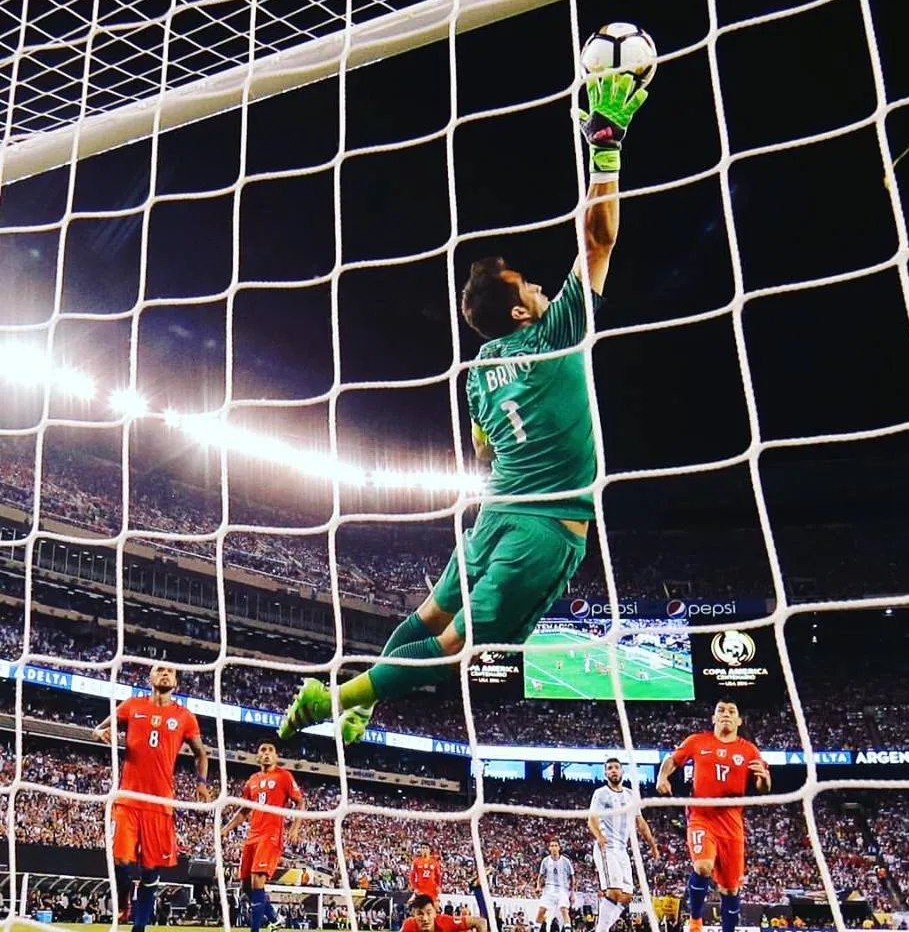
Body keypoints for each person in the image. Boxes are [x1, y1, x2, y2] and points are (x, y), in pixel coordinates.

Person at [278, 60, 651, 743]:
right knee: (457, 654)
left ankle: (363, 701)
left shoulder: (480, 367)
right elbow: (598, 237)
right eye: (530, 285)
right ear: (517, 310)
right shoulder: (557, 332)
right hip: (540, 532)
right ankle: (342, 694)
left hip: (491, 520)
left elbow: (484, 446)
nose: (542, 286)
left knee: (426, 619)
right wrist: (605, 141)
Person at [93, 664, 209, 932]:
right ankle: (124, 900)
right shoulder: (132, 706)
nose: (165, 674)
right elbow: (98, 729)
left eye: (170, 672)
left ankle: (139, 928)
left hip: (161, 804)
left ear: (176, 683)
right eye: (159, 670)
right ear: (150, 677)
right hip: (128, 798)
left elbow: (201, 753)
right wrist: (100, 732)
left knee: (150, 870)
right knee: (121, 860)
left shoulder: (184, 717)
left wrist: (201, 784)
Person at [655, 700, 772, 932]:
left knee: (730, 889)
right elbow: (672, 760)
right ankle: (695, 920)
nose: (726, 714)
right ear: (713, 718)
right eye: (721, 710)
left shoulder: (748, 750)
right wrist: (662, 776)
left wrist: (764, 779)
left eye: (731, 711)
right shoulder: (697, 741)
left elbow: (763, 787)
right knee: (703, 867)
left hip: (731, 822)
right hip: (701, 816)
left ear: (739, 720)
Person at [223, 740, 305, 932]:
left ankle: (255, 929)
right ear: (258, 756)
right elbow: (244, 810)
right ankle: (274, 918)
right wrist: (226, 829)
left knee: (257, 880)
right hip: (252, 835)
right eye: (263, 750)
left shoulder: (284, 776)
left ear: (276, 756)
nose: (267, 753)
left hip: (271, 834)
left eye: (270, 750)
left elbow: (300, 802)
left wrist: (294, 828)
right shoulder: (252, 780)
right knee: (245, 886)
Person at [588, 757, 659, 932]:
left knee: (627, 897)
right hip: (607, 847)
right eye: (610, 768)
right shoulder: (601, 793)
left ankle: (601, 928)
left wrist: (652, 845)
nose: (613, 770)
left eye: (616, 767)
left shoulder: (630, 795)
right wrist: (599, 837)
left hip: (622, 849)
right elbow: (591, 819)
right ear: (605, 773)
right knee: (614, 892)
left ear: (622, 771)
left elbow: (640, 821)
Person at [535, 839, 575, 932]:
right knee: (541, 910)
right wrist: (538, 886)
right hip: (549, 889)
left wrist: (572, 893)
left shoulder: (566, 861)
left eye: (555, 846)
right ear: (549, 848)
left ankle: (568, 930)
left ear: (559, 848)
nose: (554, 848)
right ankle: (536, 929)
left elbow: (572, 877)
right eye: (552, 846)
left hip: (562, 889)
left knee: (564, 909)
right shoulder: (545, 861)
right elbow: (540, 875)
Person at [401, 894, 487, 932]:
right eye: (420, 914)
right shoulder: (409, 925)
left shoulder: (445, 922)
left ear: (435, 913)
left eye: (429, 913)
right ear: (414, 915)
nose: (425, 918)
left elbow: (481, 922)